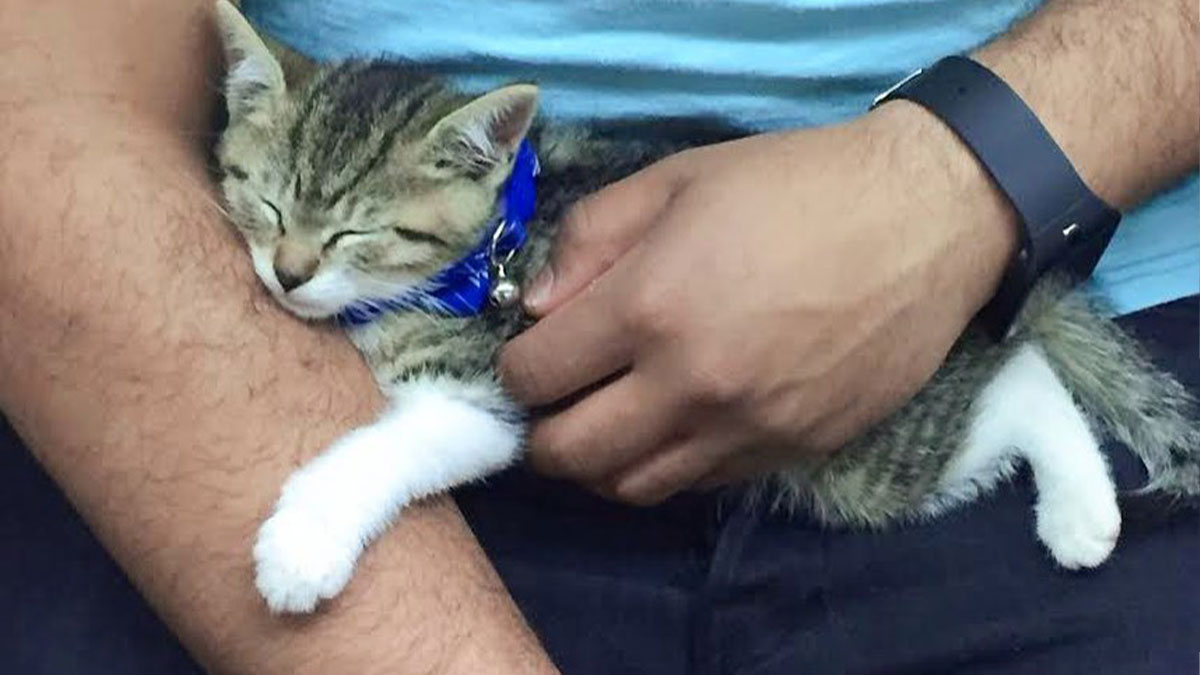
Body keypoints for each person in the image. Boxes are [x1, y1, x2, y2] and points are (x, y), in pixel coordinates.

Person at [0, 0, 1195, 673]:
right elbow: (41, 107)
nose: (295, 262)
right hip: (215, 362)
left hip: (1068, 237)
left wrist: (963, 182)